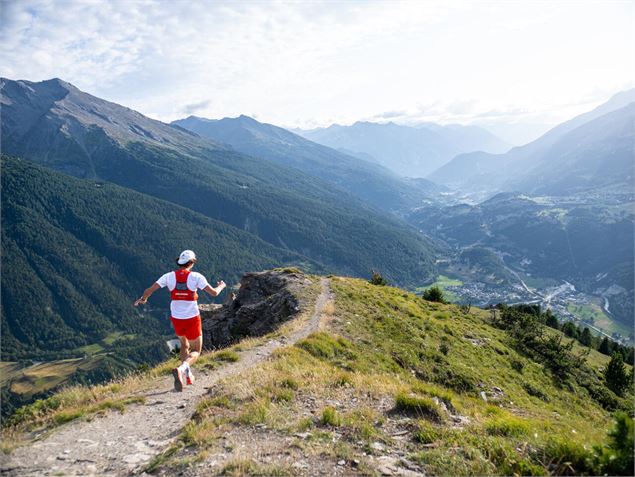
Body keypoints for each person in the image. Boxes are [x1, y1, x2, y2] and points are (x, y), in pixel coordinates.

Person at [133, 250, 226, 391]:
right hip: (192, 318)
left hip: (176, 318)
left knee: (184, 344)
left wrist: (143, 299)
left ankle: (186, 376)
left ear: (179, 262)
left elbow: (148, 290)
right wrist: (221, 286)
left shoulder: (169, 276)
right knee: (196, 350)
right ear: (192, 262)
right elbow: (213, 293)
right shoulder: (196, 277)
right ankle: (182, 369)